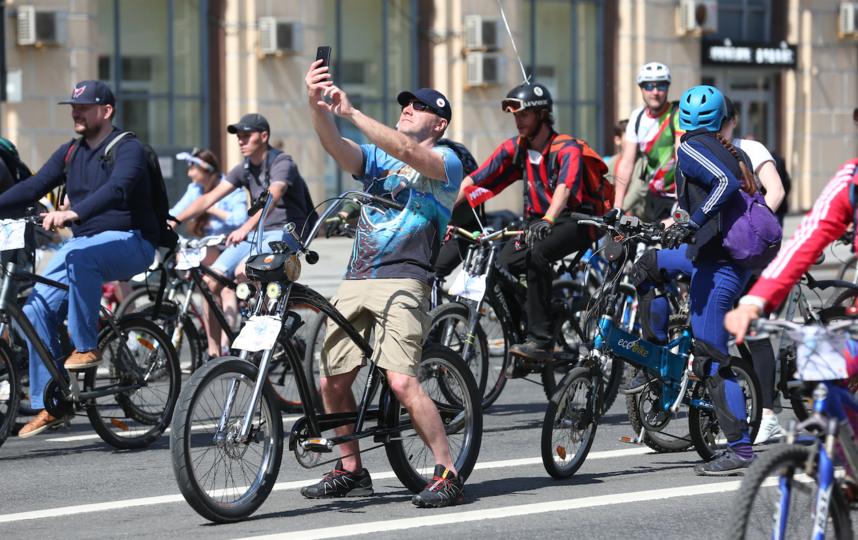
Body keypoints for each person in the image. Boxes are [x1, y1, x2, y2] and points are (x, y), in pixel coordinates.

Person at [304, 60, 465, 507]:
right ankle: (351, 469)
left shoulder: (450, 160)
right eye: (406, 104)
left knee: (401, 382)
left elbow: (415, 157)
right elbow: (334, 145)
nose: (409, 109)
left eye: (420, 106)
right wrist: (317, 103)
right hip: (356, 277)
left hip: (406, 279)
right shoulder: (376, 160)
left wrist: (353, 113)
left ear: (441, 122)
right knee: (331, 381)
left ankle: (448, 471)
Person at [0, 80, 159, 437]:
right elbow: (33, 185)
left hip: (132, 240)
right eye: (73, 107)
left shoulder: (127, 147)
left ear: (106, 111)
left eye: (84, 107)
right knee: (33, 310)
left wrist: (74, 213)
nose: (76, 112)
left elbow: (118, 187)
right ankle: (51, 403)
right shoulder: (70, 152)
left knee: (80, 257)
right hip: (82, 246)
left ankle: (86, 347)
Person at [631, 85, 758, 475]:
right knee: (648, 265)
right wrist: (669, 228)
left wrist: (694, 222)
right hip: (709, 257)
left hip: (720, 267)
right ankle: (655, 358)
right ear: (721, 119)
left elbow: (724, 186)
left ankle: (739, 448)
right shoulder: (727, 148)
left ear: (681, 120)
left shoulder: (689, 148)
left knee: (711, 360)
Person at [455, 82, 600, 370]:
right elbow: (477, 179)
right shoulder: (517, 147)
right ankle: (525, 334)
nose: (518, 121)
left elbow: (565, 188)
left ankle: (541, 339)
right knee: (499, 266)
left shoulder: (566, 148)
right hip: (536, 223)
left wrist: (548, 219)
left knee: (538, 253)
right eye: (515, 116)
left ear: (542, 114)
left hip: (572, 220)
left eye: (524, 115)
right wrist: (443, 213)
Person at [172, 114, 318, 358]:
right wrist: (172, 222)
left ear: (263, 136)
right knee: (211, 282)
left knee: (243, 271)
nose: (241, 141)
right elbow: (208, 198)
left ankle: (267, 329)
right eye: (238, 137)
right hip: (257, 233)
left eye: (246, 136)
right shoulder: (245, 168)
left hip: (287, 232)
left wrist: (245, 227)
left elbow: (271, 198)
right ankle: (215, 353)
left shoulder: (282, 162)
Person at [720, 97, 787, 443]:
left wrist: (752, 226)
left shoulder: (750, 148)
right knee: (733, 332)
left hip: (752, 249)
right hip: (724, 252)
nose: (718, 128)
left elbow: (775, 191)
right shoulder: (704, 149)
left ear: (732, 120)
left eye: (722, 120)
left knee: (754, 331)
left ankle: (769, 414)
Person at [171, 148, 248, 358]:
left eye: (192, 168)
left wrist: (210, 206)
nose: (189, 174)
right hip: (211, 250)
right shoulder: (195, 189)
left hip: (234, 248)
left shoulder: (231, 189)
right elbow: (177, 212)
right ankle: (214, 348)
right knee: (189, 263)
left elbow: (241, 220)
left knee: (226, 291)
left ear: (207, 170)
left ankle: (226, 345)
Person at [612, 62, 683, 222]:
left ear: (668, 88)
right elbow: (626, 164)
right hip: (655, 195)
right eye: (649, 86)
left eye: (661, 85)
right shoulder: (637, 118)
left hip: (678, 195)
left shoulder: (677, 114)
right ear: (641, 88)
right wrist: (617, 206)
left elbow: (681, 160)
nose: (655, 92)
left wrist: (680, 201)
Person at [605, 119, 648, 220]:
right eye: (630, 137)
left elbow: (638, 191)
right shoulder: (611, 162)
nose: (635, 141)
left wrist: (616, 210)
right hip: (616, 220)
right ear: (617, 140)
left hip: (640, 221)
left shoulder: (645, 162)